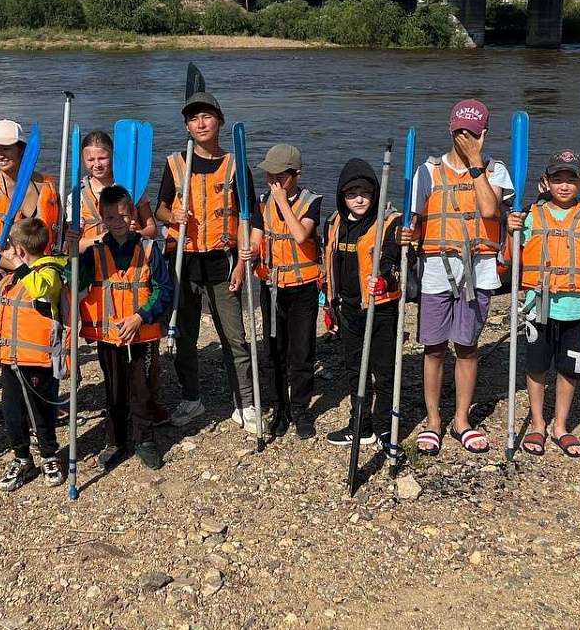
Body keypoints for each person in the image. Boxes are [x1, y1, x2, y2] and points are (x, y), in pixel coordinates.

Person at [404, 99, 513, 456]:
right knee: (434, 347)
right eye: (461, 132)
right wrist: (405, 233)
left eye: (474, 133)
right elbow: (415, 220)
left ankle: (461, 420)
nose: (467, 139)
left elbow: (487, 208)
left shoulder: (495, 171)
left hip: (478, 271)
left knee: (467, 347)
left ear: (484, 134)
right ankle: (433, 419)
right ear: (451, 130)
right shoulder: (428, 172)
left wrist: (476, 163)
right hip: (437, 270)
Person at [155, 91, 263, 433]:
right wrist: (173, 214)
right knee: (185, 337)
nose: (200, 123)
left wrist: (244, 262)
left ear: (219, 121)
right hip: (183, 263)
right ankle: (192, 398)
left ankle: (245, 402)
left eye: (206, 117)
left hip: (222, 261)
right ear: (187, 126)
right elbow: (159, 209)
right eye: (193, 118)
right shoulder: (175, 164)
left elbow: (253, 221)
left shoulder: (235, 165)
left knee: (234, 337)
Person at [507, 150, 580, 458]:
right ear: (546, 182)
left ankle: (561, 426)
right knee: (537, 366)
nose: (564, 186)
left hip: (578, 311)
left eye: (571, 179)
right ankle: (538, 423)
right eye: (557, 179)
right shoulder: (529, 215)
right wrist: (511, 229)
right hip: (538, 308)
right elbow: (511, 258)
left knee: (569, 369)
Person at [68, 129, 166, 426]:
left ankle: (148, 409)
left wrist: (128, 229)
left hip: (134, 271)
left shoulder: (131, 188)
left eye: (103, 157)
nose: (97, 164)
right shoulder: (76, 195)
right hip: (99, 275)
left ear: (113, 157)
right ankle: (118, 419)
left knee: (145, 357)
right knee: (109, 356)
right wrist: (92, 239)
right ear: (83, 161)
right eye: (90, 159)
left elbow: (152, 230)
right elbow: (69, 245)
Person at [78, 185, 175, 471]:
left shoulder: (147, 249)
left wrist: (140, 317)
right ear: (102, 217)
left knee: (141, 390)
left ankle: (145, 441)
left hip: (139, 334)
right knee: (114, 390)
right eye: (110, 217)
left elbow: (164, 289)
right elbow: (74, 280)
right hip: (108, 336)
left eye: (122, 215)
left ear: (132, 213)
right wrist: (72, 249)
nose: (117, 221)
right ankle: (116, 441)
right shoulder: (93, 251)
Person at [322, 158, 402, 449]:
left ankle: (383, 428)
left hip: (380, 308)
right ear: (342, 196)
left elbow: (394, 258)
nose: (359, 198)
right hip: (349, 309)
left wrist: (384, 277)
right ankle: (360, 425)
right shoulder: (334, 223)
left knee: (383, 371)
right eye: (352, 192)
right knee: (354, 369)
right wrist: (329, 304)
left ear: (375, 194)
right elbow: (329, 266)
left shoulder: (390, 223)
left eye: (365, 192)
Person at [0, 218, 68, 491]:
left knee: (41, 411)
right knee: (12, 412)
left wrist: (18, 264)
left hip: (38, 360)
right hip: (11, 357)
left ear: (20, 250)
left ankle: (49, 454)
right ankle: (22, 456)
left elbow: (39, 291)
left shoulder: (49, 273)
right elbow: (12, 312)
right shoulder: (12, 278)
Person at [252, 144, 321, 440]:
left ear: (296, 175)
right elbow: (257, 238)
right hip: (272, 286)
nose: (273, 181)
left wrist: (282, 201)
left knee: (301, 351)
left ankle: (301, 408)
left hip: (303, 288)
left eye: (280, 176)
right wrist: (247, 252)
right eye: (270, 174)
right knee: (273, 350)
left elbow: (300, 233)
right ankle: (279, 407)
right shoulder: (262, 200)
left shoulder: (311, 202)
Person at [0, 119, 60, 276]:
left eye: (5, 148)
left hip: (44, 271)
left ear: (21, 149)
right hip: (4, 271)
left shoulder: (47, 185)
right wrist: (18, 267)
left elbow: (60, 232)